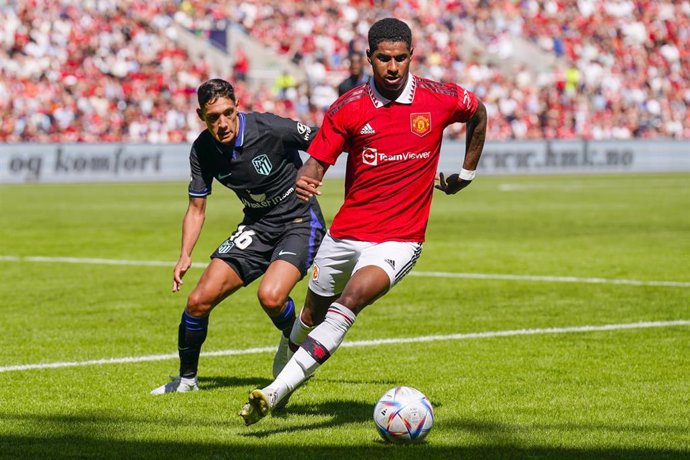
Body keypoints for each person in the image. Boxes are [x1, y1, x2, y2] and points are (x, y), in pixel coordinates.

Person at [239, 18, 487, 424]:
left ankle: (274, 391)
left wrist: (467, 172)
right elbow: (317, 162)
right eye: (384, 59)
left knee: (349, 302)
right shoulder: (349, 107)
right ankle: (282, 371)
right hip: (346, 232)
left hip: (400, 239)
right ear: (369, 58)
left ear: (411, 56)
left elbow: (479, 112)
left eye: (401, 58)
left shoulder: (439, 98)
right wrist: (307, 179)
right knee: (307, 320)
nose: (393, 67)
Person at [151, 79, 326, 395]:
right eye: (212, 117)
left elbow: (326, 141)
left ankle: (295, 343)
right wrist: (185, 254)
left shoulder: (269, 127)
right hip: (256, 227)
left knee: (270, 296)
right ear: (200, 116)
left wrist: (311, 172)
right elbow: (196, 208)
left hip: (299, 221)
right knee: (197, 302)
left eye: (227, 113)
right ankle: (187, 382)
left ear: (237, 106)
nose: (221, 123)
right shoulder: (203, 149)